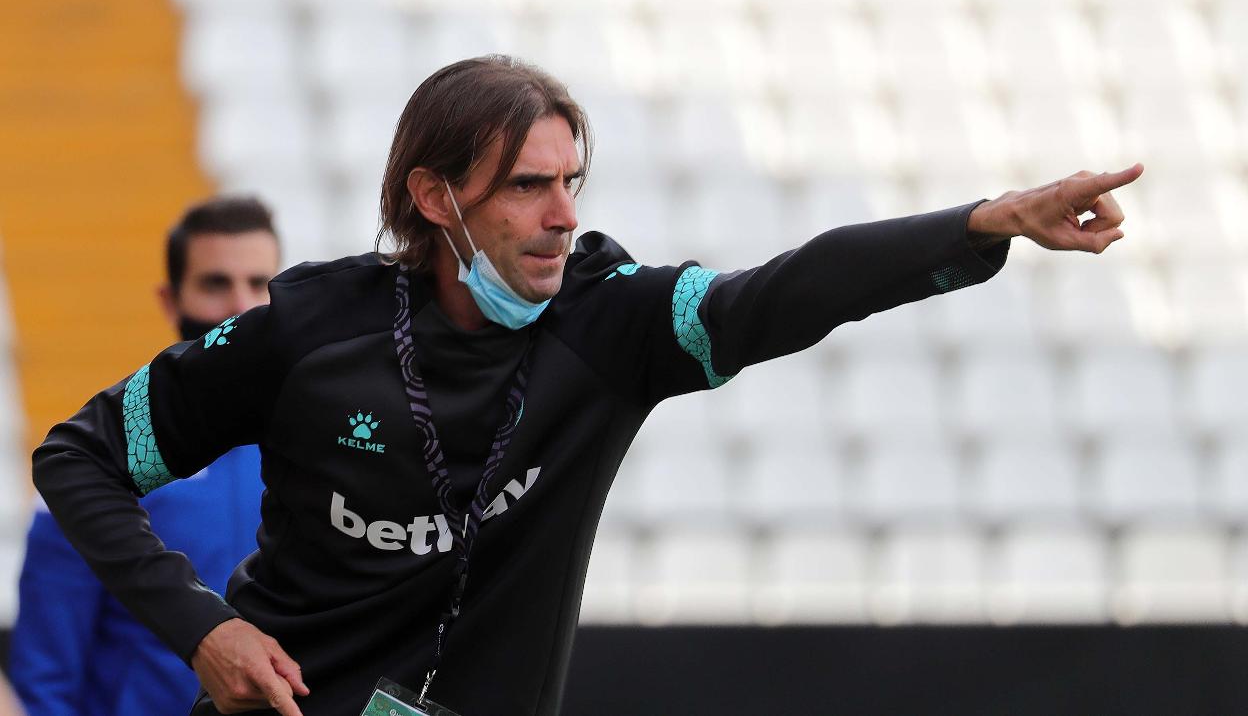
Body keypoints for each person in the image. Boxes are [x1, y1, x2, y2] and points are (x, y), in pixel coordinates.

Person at [31, 56, 1140, 716]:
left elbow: (787, 290)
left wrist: (981, 223)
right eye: (525, 187)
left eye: (571, 181)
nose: (562, 214)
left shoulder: (610, 322)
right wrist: (202, 626)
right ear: (434, 195)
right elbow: (76, 453)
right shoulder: (313, 329)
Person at [12, 196, 280, 716]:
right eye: (215, 284)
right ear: (169, 299)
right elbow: (45, 674)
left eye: (259, 284)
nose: (240, 308)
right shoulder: (101, 460)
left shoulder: (325, 442)